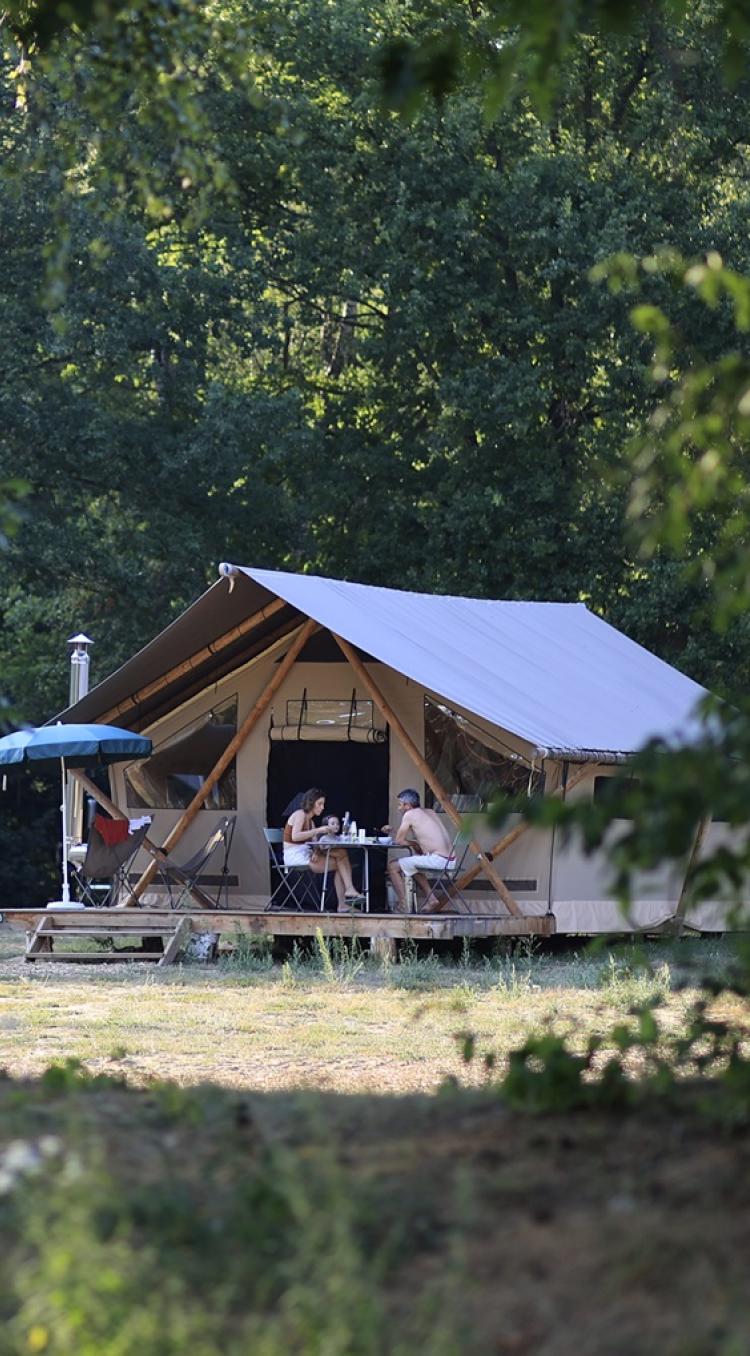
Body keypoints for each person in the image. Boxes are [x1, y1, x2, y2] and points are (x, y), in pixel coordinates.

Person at [284, 788, 363, 911]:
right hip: (295, 856)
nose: (322, 807)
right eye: (319, 804)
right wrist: (319, 830)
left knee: (342, 853)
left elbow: (315, 844)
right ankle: (344, 899)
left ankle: (348, 893)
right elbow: (295, 836)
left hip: (307, 853)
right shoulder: (300, 814)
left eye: (323, 804)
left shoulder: (311, 822)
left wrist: (317, 851)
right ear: (311, 803)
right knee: (341, 864)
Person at [387, 788, 456, 913]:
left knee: (392, 866)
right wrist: (413, 843)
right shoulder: (430, 812)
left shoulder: (409, 815)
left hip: (439, 860)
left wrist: (412, 844)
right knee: (414, 864)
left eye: (400, 805)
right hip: (450, 860)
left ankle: (403, 905)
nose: (398, 808)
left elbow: (398, 841)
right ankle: (431, 899)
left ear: (407, 805)